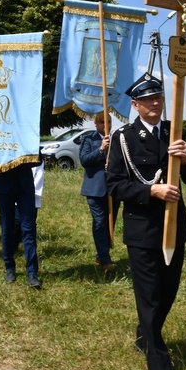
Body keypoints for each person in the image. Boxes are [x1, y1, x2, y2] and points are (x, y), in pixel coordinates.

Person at [106, 73, 186, 370]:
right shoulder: (124, 138)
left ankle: (145, 333)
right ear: (135, 105)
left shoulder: (175, 132)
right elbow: (115, 185)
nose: (155, 103)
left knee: (167, 290)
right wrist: (150, 192)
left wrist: (185, 161)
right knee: (148, 295)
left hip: (174, 229)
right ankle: (160, 366)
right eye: (147, 100)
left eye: (158, 98)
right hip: (142, 228)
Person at [0, 158, 43, 289]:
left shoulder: (28, 136)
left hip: (24, 185)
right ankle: (9, 267)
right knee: (7, 228)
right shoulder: (0, 137)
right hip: (3, 184)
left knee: (28, 228)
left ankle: (32, 273)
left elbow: (38, 159)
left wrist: (20, 161)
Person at [80, 111, 120, 272]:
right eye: (102, 122)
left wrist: (113, 165)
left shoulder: (117, 139)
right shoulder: (88, 139)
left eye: (108, 122)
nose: (105, 125)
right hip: (95, 189)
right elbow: (84, 160)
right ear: (95, 124)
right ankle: (105, 260)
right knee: (100, 222)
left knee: (110, 224)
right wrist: (101, 150)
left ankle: (100, 254)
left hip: (114, 188)